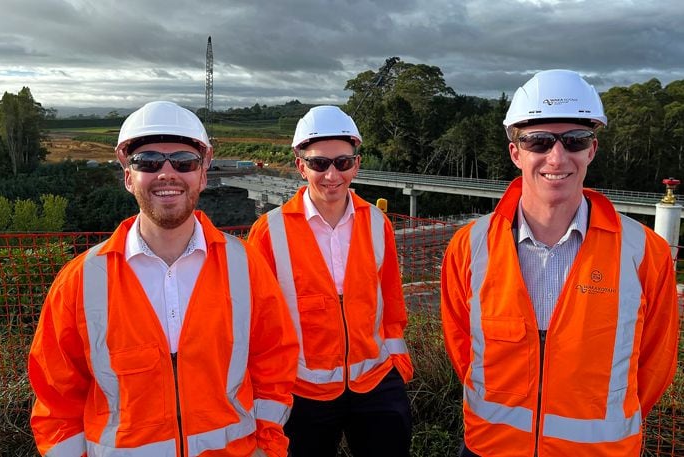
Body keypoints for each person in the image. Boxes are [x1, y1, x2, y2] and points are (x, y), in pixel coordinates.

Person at [28, 101, 299, 457]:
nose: (167, 174)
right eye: (149, 161)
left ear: (202, 174)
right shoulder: (81, 281)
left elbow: (274, 363)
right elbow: (56, 400)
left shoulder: (245, 266)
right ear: (128, 177)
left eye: (184, 161)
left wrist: (267, 447)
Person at [440, 69, 679, 457]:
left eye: (574, 140)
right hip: (491, 447)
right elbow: (462, 349)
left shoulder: (643, 251)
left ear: (592, 149)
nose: (557, 156)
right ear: (516, 151)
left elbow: (655, 363)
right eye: (538, 141)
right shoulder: (470, 246)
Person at [247, 105, 414, 456]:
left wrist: (398, 366)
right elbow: (257, 322)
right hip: (302, 391)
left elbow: (392, 302)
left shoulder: (375, 222)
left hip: (376, 383)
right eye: (319, 163)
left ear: (357, 163)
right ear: (300, 165)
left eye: (343, 162)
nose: (331, 175)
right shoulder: (269, 232)